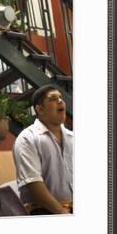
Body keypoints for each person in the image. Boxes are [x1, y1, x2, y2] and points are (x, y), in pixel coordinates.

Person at [13, 84, 73, 215]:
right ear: (40, 109)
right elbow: (33, 182)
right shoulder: (27, 139)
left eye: (60, 97)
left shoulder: (73, 137)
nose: (60, 101)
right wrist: (62, 213)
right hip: (43, 213)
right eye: (53, 98)